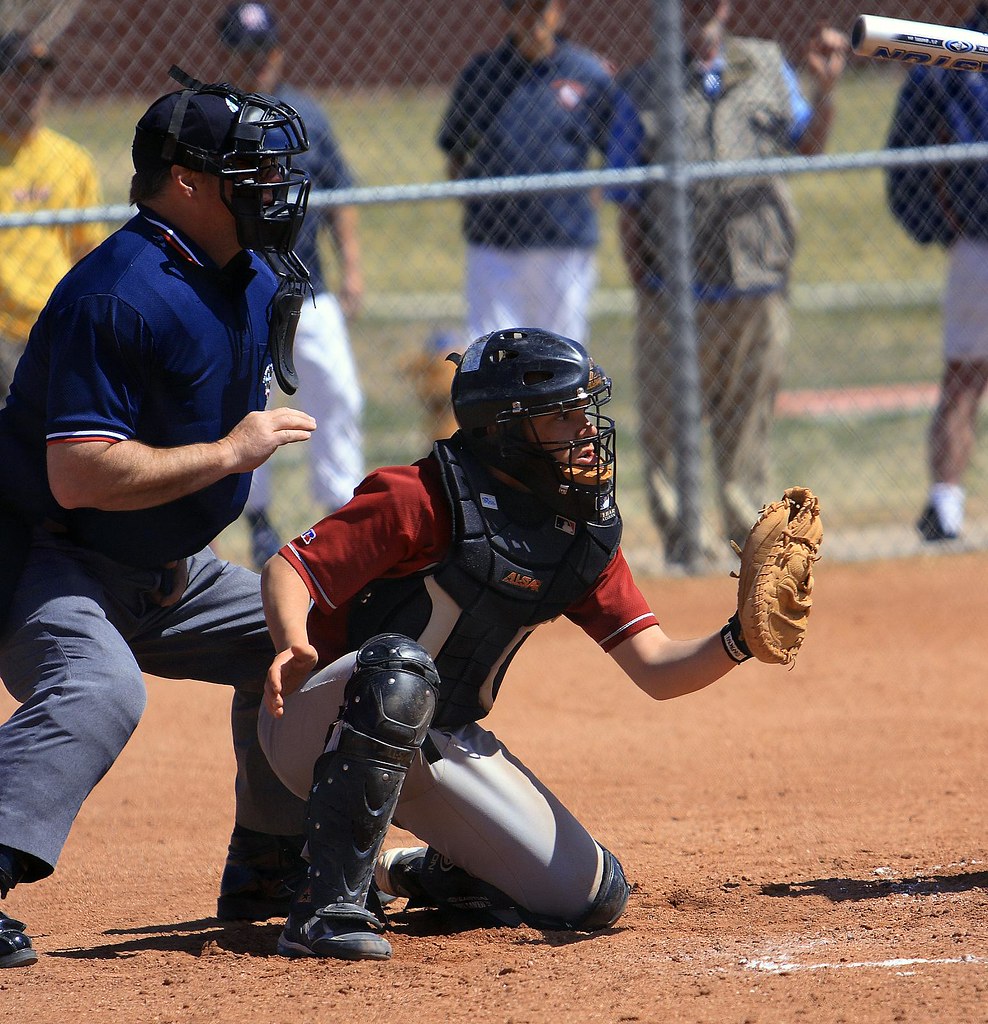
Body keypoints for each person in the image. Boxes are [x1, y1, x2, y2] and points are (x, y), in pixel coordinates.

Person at [254, 326, 788, 962]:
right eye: (561, 416)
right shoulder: (418, 496)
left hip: (440, 738)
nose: (586, 431)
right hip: (324, 723)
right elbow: (289, 567)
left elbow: (655, 667)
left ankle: (428, 872)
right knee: (399, 671)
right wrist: (294, 642)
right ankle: (324, 904)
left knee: (588, 897)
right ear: (504, 427)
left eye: (584, 411)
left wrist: (739, 640)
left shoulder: (577, 535)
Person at [0, 72, 319, 969]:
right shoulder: (119, 292)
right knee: (100, 691)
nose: (273, 185)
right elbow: (78, 475)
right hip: (52, 560)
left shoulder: (247, 273)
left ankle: (268, 865)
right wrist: (228, 456)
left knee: (304, 636)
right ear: (185, 181)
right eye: (249, 169)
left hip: (168, 569)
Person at [613, 1, 847, 563]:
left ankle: (752, 546)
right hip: (675, 292)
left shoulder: (765, 65)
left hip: (755, 282)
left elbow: (807, 143)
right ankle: (683, 545)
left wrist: (826, 91)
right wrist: (643, 279)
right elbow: (624, 194)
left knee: (748, 426)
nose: (700, 11)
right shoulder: (644, 86)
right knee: (667, 428)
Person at [217, 2, 365, 568]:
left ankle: (342, 510)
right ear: (225, 56)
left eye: (265, 50)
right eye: (244, 51)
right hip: (242, 293)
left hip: (309, 288)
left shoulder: (307, 114)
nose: (257, 62)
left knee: (340, 396)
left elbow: (340, 194)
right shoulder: (215, 117)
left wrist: (352, 265)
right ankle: (255, 520)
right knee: (251, 405)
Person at [436, 0, 635, 346]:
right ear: (509, 15)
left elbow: (617, 147)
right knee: (493, 352)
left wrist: (595, 195)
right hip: (495, 242)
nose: (532, 21)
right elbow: (455, 147)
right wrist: (469, 198)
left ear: (559, 11)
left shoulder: (587, 73)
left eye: (540, 9)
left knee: (561, 351)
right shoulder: (484, 75)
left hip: (562, 239)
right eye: (521, 10)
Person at [885, 3, 988, 542]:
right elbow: (908, 158)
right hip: (980, 242)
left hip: (975, 243)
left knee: (965, 377)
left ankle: (945, 503)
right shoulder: (953, 53)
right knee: (966, 376)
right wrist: (941, 225)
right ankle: (945, 505)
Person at [0, 32, 104, 406]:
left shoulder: (71, 160)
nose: (29, 87)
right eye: (17, 75)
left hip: (55, 329)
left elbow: (88, 253)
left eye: (37, 76)